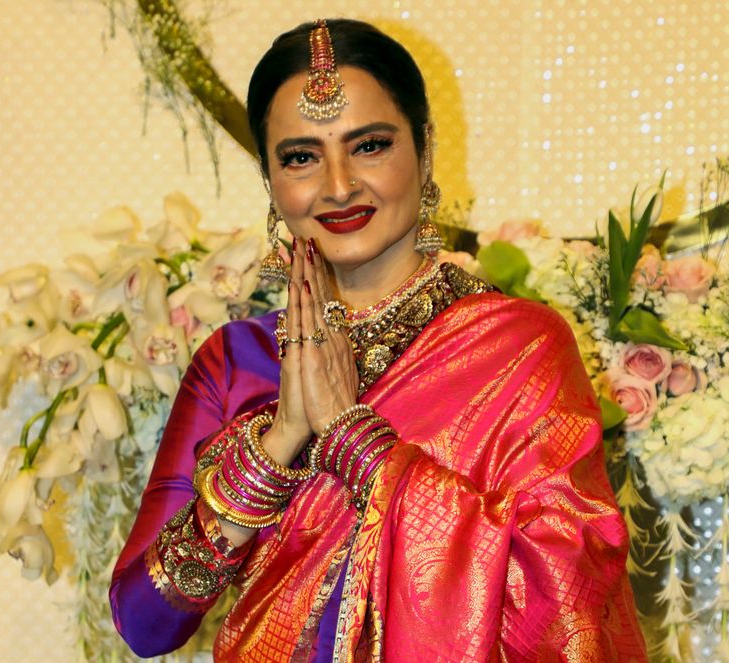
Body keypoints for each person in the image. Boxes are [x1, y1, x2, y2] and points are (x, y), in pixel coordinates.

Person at [110, 18, 647, 662]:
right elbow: (144, 623)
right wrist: (280, 441)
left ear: (423, 149)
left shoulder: (518, 347)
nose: (338, 185)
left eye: (369, 146)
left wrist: (358, 445)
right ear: (271, 180)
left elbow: (568, 598)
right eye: (301, 157)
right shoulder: (234, 361)